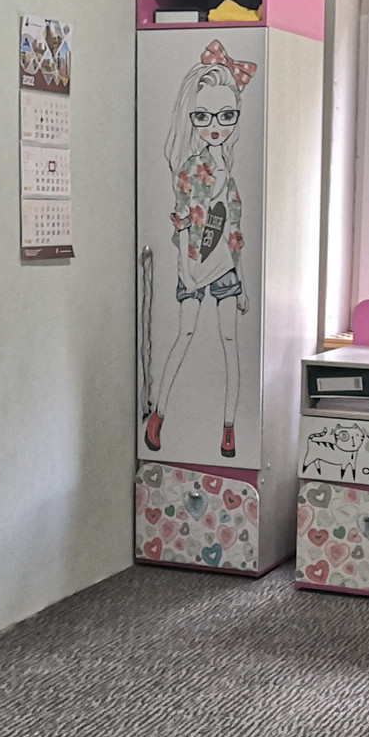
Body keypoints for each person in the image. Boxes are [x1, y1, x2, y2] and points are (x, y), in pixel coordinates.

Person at [144, 41, 255, 459]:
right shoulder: (193, 168)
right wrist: (187, 273)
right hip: (193, 265)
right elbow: (184, 225)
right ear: (191, 117)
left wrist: (241, 282)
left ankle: (229, 427)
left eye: (226, 116)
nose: (215, 126)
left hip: (224, 267)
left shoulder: (230, 169)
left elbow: (234, 231)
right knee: (185, 333)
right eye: (203, 116)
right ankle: (158, 414)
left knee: (229, 341)